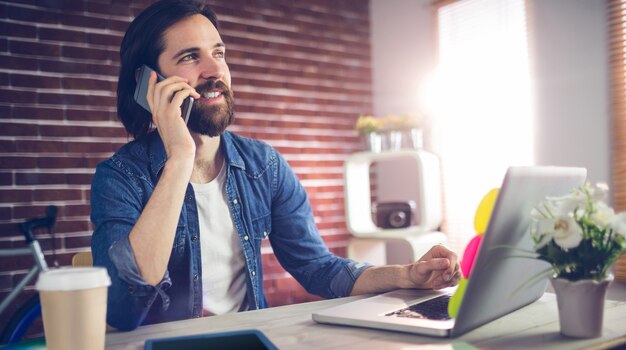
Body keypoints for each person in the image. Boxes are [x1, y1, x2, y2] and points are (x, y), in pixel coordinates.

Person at [90, 0, 460, 331]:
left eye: (218, 53)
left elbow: (318, 268)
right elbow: (123, 309)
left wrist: (406, 274)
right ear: (148, 82)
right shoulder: (120, 177)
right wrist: (180, 159)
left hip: (251, 341)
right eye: (189, 57)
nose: (213, 70)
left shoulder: (263, 165)